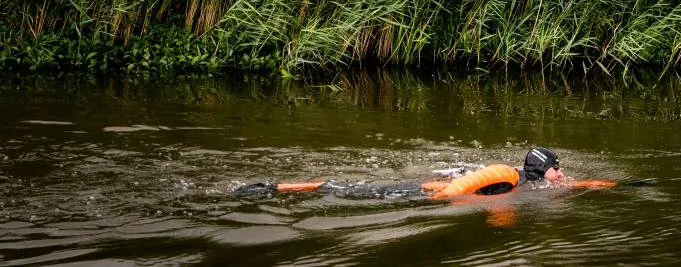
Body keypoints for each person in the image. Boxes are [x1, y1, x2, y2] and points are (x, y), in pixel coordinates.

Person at [234, 146, 615, 199]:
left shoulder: (527, 179)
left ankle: (282, 186)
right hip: (421, 191)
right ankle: (278, 186)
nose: (560, 172)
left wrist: (612, 184)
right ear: (540, 169)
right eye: (555, 167)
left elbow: (578, 183)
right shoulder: (510, 175)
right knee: (347, 189)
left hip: (436, 192)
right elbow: (470, 191)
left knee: (353, 189)